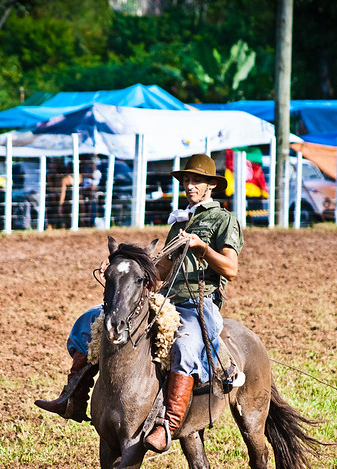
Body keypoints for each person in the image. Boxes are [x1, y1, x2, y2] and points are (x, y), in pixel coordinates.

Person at [35, 153, 244, 453]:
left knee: (185, 348)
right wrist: (128, 270)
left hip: (199, 304)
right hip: (167, 301)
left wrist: (202, 248)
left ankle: (168, 425)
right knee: (90, 323)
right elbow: (161, 271)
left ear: (211, 185)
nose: (189, 185)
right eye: (186, 180)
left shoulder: (224, 220)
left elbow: (231, 269)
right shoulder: (180, 221)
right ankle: (74, 397)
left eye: (195, 180)